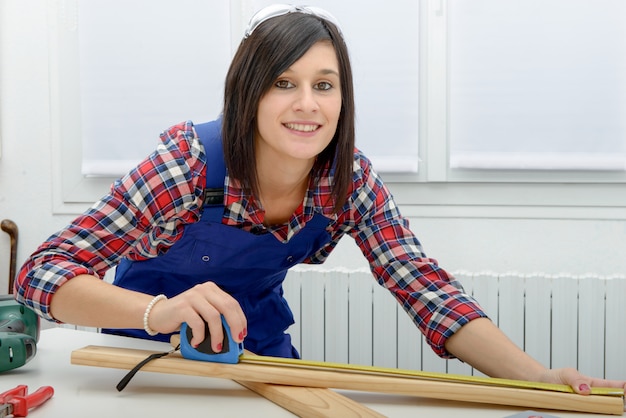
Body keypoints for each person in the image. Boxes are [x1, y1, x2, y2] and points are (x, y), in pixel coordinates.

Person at [14, 4, 626, 395]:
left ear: (342, 99)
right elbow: (41, 274)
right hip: (142, 358)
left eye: (324, 85)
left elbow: (425, 289)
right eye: (284, 83)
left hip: (262, 354)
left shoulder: (349, 181)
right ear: (248, 94)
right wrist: (155, 315)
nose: (307, 104)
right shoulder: (184, 166)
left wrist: (542, 382)